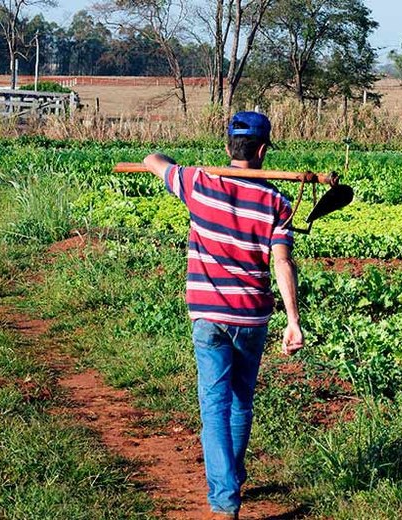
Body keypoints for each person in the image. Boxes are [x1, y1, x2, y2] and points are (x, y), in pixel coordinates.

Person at [143, 111, 303, 520]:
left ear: (228, 147)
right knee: (240, 402)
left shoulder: (197, 182)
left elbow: (151, 159)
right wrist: (293, 320)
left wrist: (170, 162)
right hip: (252, 316)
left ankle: (225, 498)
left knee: (215, 405)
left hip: (208, 314)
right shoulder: (276, 201)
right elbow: (282, 263)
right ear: (263, 150)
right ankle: (231, 478)